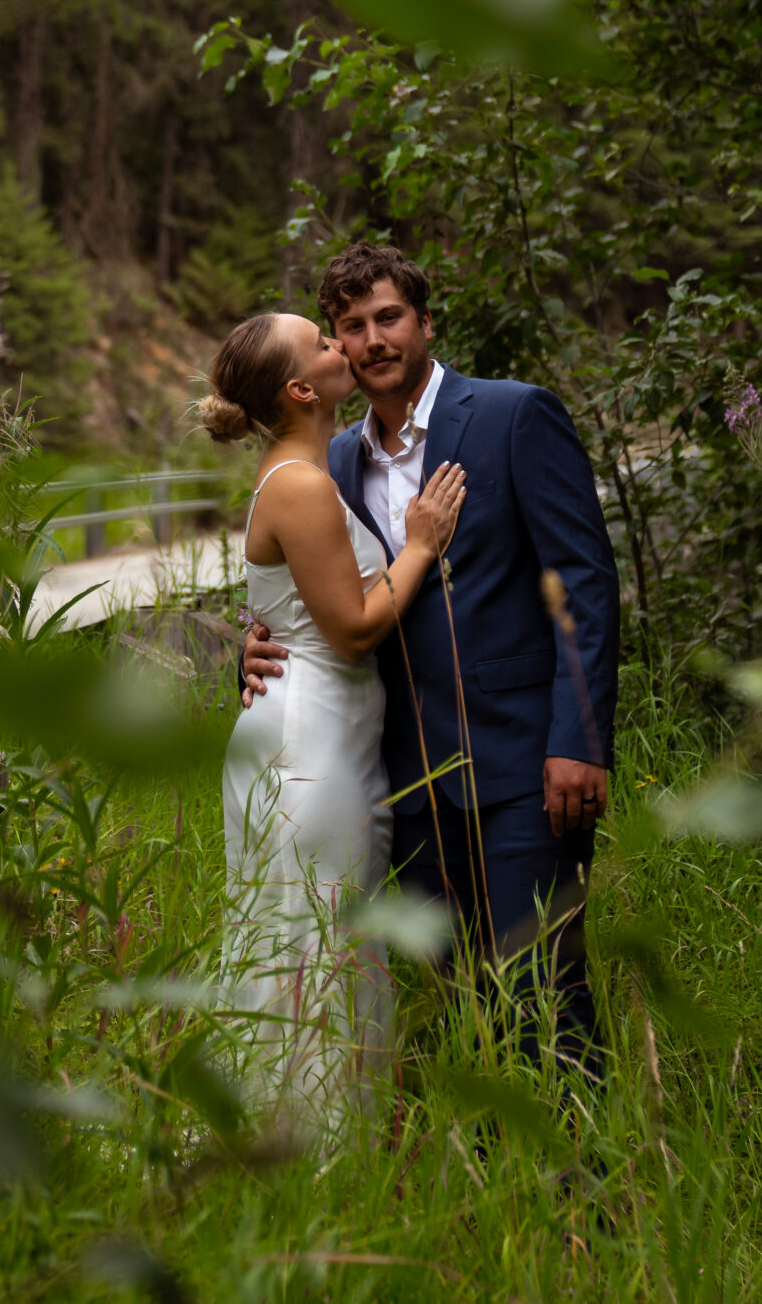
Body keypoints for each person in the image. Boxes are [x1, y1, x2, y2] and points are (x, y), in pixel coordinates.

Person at [242, 242, 619, 1073]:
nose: (373, 339)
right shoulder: (332, 460)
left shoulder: (514, 415)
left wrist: (580, 739)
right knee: (461, 1007)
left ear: (423, 321)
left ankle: (588, 1195)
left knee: (545, 991)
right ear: (336, 345)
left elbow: (583, 582)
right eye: (352, 326)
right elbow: (325, 591)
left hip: (523, 765)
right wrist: (263, 638)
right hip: (401, 784)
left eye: (389, 317)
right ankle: (492, 1187)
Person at [199, 308, 466, 1127]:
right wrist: (420, 543)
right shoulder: (303, 484)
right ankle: (304, 1149)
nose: (342, 343)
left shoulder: (309, 473)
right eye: (324, 339)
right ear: (302, 387)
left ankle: (294, 1142)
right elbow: (350, 630)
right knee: (311, 941)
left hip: (325, 738)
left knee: (317, 936)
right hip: (307, 745)